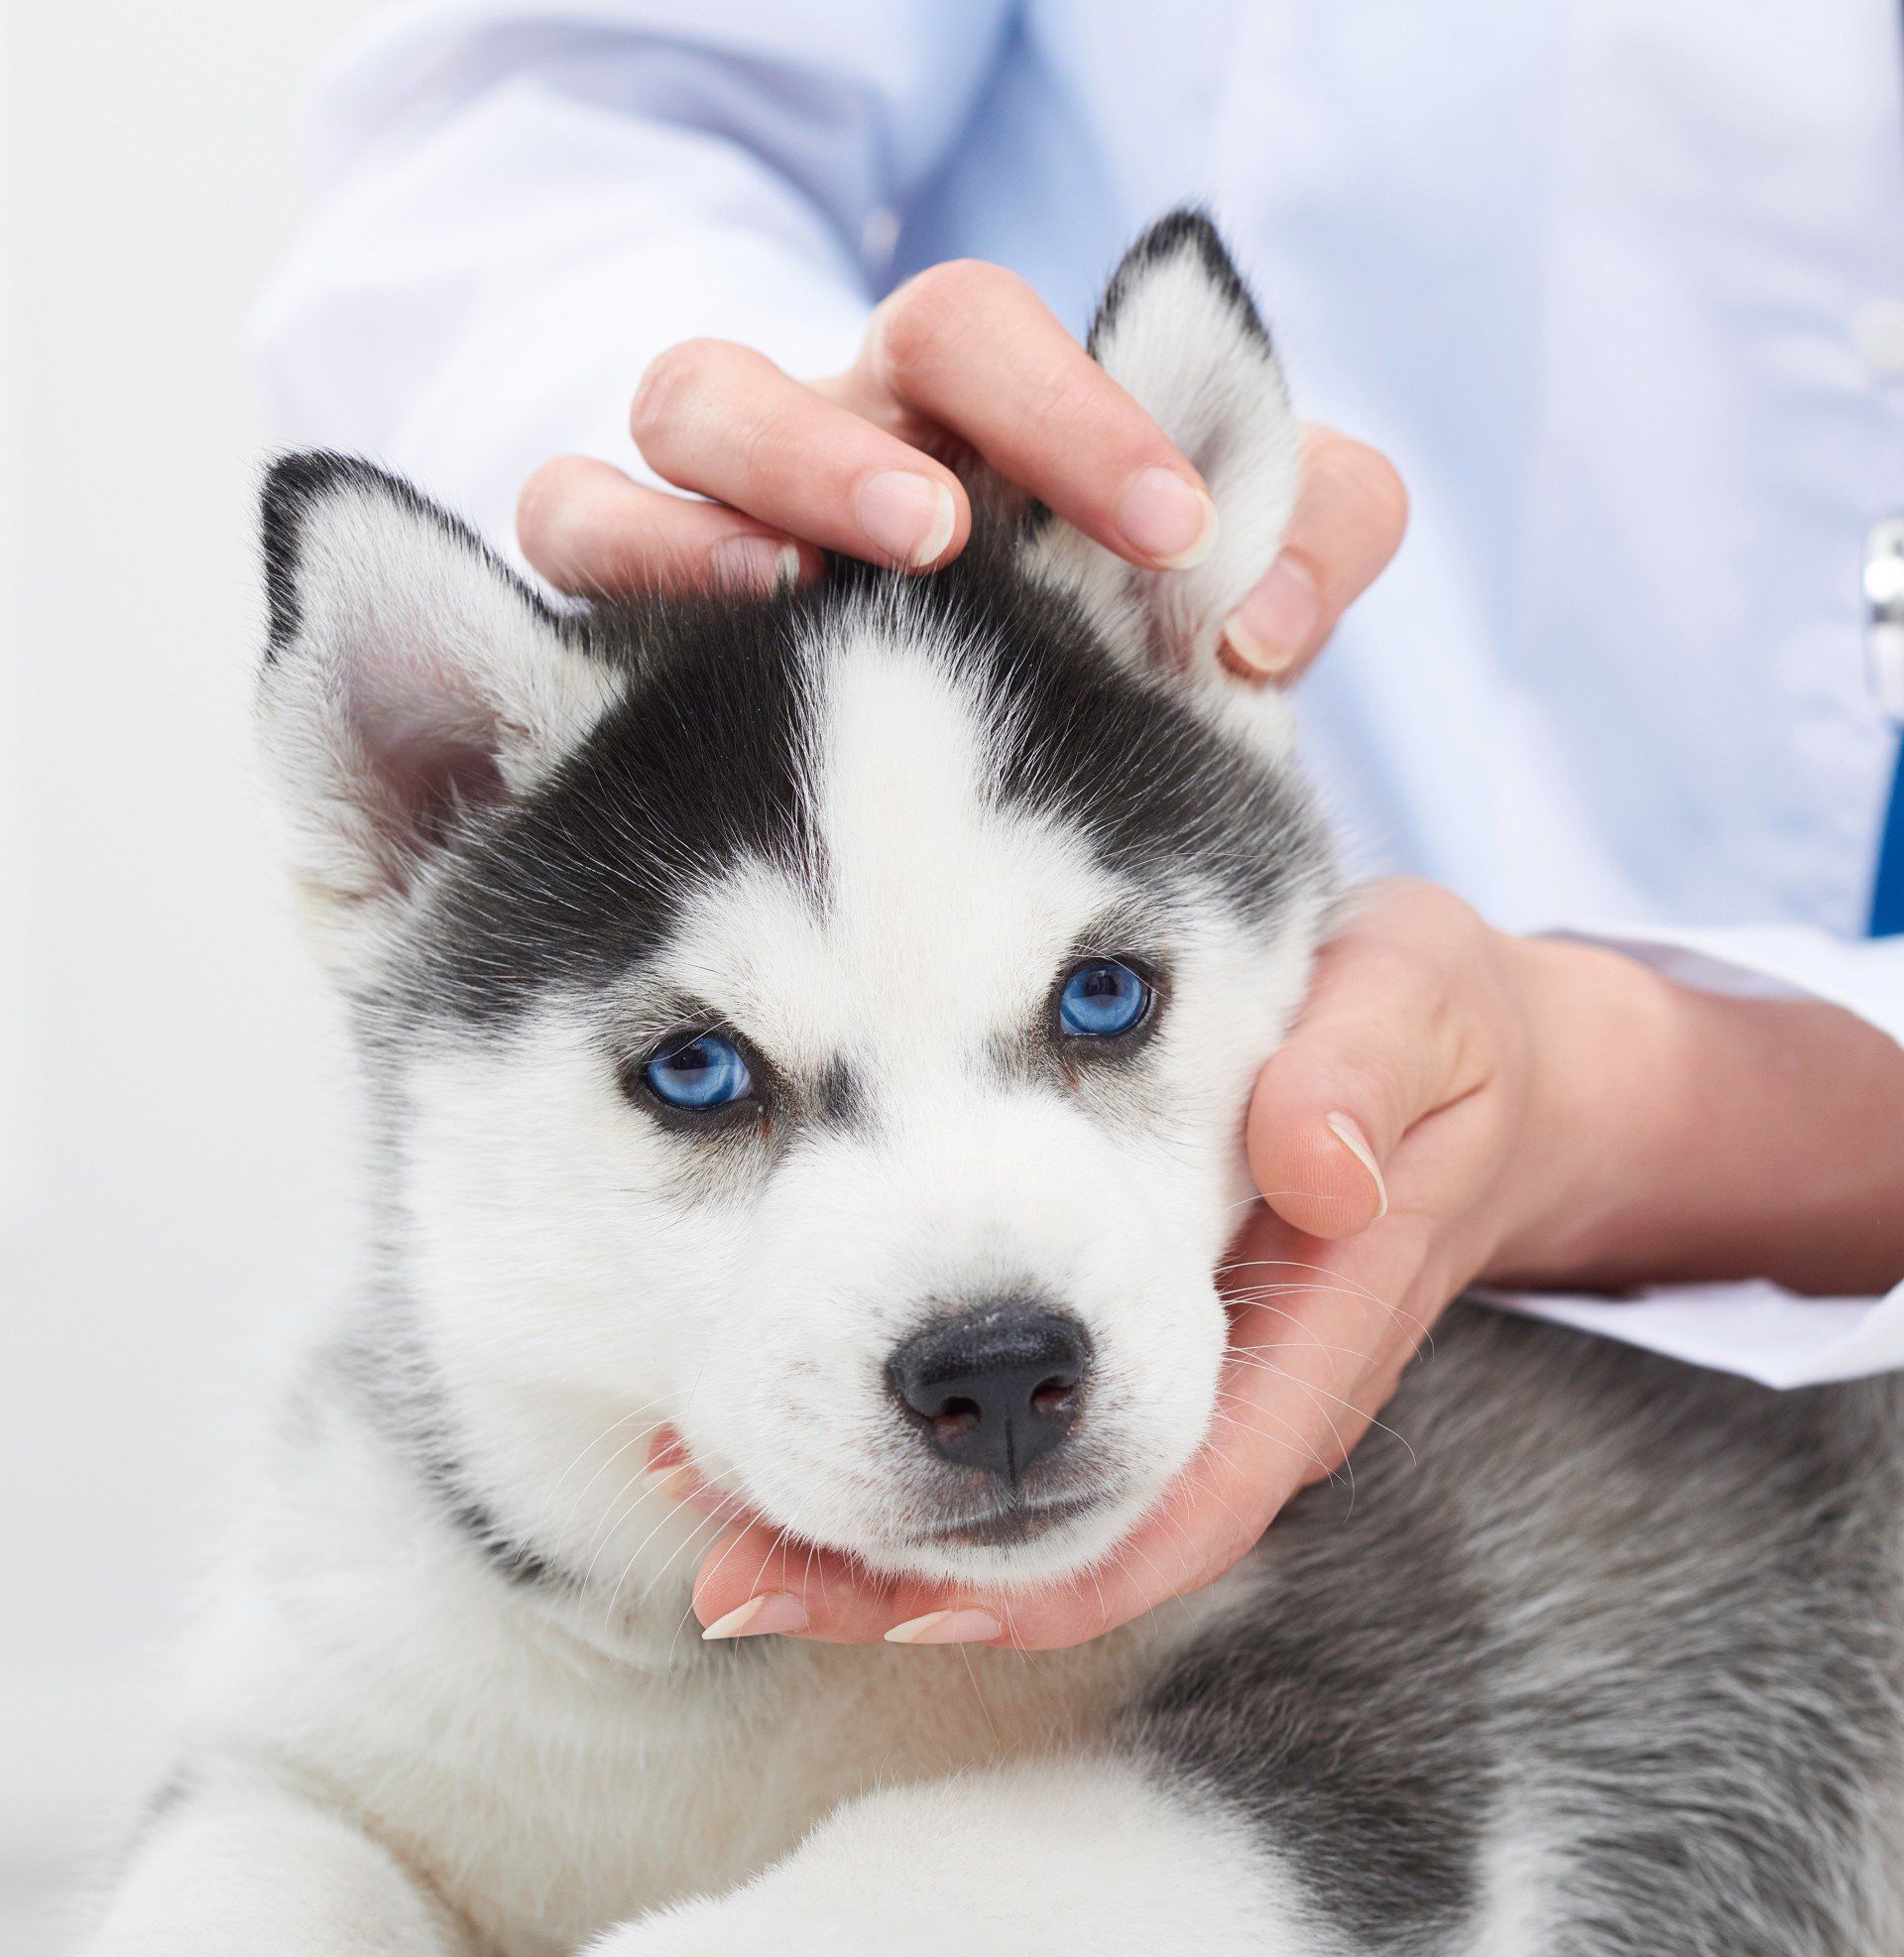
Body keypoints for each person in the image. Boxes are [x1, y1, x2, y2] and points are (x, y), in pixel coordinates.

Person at [254, 0, 1904, 1649]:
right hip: (1078, 738)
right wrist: (747, 481)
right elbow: (574, 97)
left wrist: (1648, 1098)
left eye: (1100, 1004)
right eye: (700, 1075)